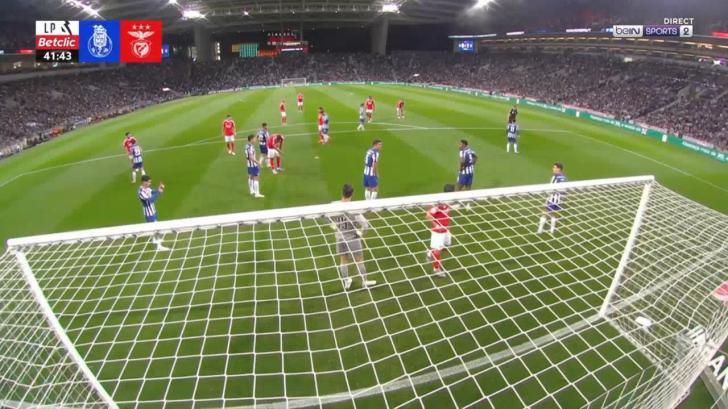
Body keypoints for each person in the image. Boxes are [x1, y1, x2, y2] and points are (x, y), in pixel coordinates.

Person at [330, 183, 377, 290]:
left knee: (343, 261)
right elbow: (365, 225)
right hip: (353, 238)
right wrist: (361, 233)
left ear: (342, 192)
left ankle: (346, 281)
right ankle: (364, 282)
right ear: (352, 194)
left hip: (340, 238)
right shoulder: (354, 209)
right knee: (359, 261)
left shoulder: (333, 205)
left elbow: (327, 217)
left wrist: (334, 225)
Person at [426, 184, 455, 277]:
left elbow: (447, 210)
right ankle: (436, 269)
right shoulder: (439, 204)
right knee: (438, 251)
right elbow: (428, 215)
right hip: (438, 232)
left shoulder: (449, 201)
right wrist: (436, 225)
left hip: (446, 230)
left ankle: (430, 252)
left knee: (447, 245)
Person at [138, 174, 168, 251]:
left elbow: (154, 191)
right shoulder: (141, 192)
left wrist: (159, 188)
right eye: (148, 182)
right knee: (155, 228)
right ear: (144, 182)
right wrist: (159, 192)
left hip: (153, 210)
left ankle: (155, 240)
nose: (150, 183)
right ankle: (158, 247)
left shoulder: (147, 188)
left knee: (155, 227)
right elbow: (150, 200)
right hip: (149, 213)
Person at [537, 162, 567, 234]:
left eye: (554, 167)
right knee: (555, 214)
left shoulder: (555, 177)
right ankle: (552, 230)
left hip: (552, 198)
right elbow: (564, 190)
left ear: (558, 169)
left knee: (545, 213)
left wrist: (548, 193)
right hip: (559, 199)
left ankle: (540, 229)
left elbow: (551, 188)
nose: (553, 169)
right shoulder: (563, 177)